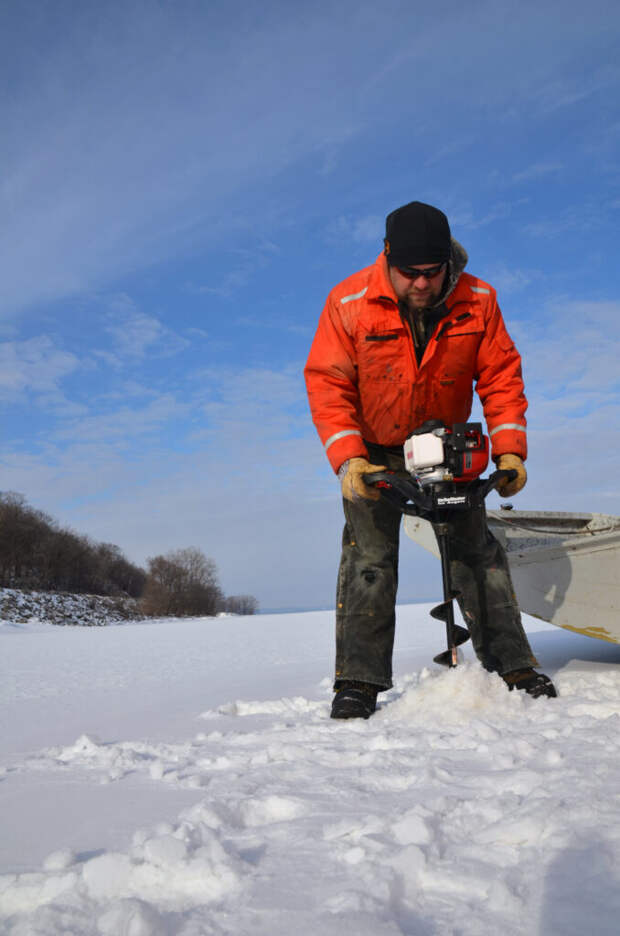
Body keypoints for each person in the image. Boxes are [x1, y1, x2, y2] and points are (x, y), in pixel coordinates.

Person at [304, 200, 556, 719]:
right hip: (374, 453)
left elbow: (502, 374)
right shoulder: (348, 301)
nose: (422, 285)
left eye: (433, 272)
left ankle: (514, 666)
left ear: (450, 262)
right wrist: (349, 459)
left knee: (475, 553)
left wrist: (510, 450)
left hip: (445, 446)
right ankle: (358, 681)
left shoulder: (479, 299)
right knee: (368, 560)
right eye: (409, 274)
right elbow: (328, 384)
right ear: (387, 257)